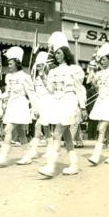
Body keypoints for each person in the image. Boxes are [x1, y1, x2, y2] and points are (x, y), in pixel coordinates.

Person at [38, 31, 87, 177]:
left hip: (69, 102)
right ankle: (74, 165)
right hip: (57, 104)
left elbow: (80, 89)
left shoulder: (75, 70)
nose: (56, 55)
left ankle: (50, 166)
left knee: (56, 134)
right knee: (67, 137)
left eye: (59, 52)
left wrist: (83, 107)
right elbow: (50, 90)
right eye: (55, 53)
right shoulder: (53, 71)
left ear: (65, 53)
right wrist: (42, 76)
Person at [0, 46, 38, 166]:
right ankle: (27, 156)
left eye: (11, 63)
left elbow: (31, 94)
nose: (9, 65)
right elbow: (7, 93)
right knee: (21, 132)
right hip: (12, 105)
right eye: (8, 63)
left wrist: (36, 108)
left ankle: (2, 157)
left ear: (17, 63)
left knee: (8, 129)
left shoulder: (25, 77)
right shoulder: (9, 77)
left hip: (21, 105)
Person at [17, 51, 54, 164]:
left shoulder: (49, 76)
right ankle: (49, 148)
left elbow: (50, 90)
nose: (38, 67)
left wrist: (43, 76)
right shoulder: (36, 78)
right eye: (37, 65)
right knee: (44, 127)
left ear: (45, 65)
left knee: (40, 125)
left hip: (48, 102)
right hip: (39, 102)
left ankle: (34, 150)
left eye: (41, 65)